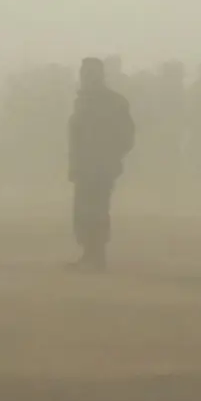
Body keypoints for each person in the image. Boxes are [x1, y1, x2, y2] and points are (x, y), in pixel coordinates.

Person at [67, 57, 136, 271]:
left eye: (90, 73)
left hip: (101, 167)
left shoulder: (114, 101)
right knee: (82, 211)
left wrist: (111, 158)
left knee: (96, 210)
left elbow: (126, 135)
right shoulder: (82, 101)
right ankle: (89, 254)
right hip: (83, 166)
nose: (86, 77)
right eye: (84, 72)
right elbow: (76, 136)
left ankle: (97, 256)